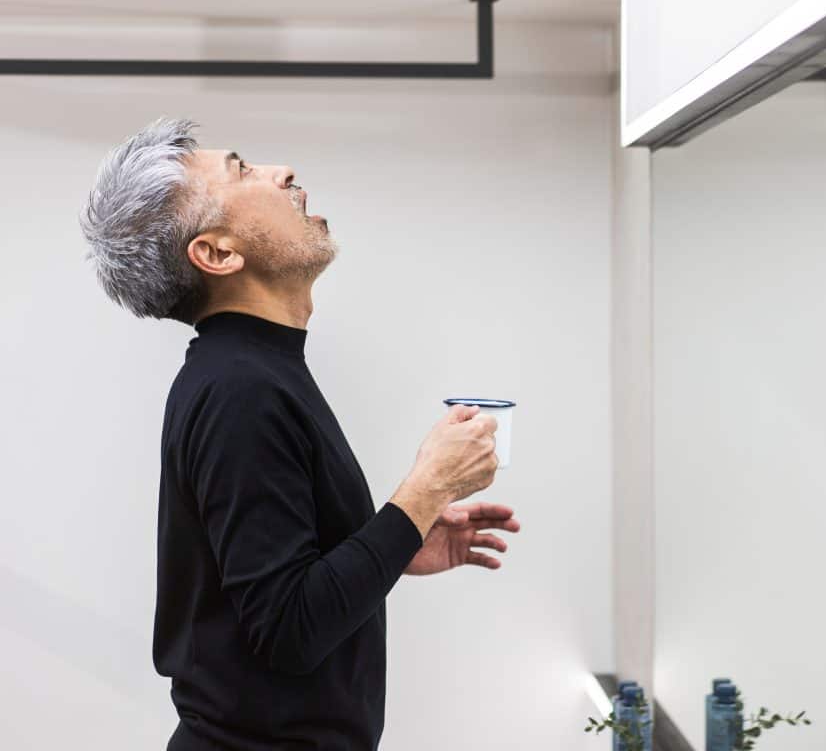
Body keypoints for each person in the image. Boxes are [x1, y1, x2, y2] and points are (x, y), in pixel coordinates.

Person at [80, 117, 520, 751]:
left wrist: (392, 546)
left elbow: (279, 591)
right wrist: (426, 489)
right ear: (217, 253)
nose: (281, 171)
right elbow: (288, 631)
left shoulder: (252, 372)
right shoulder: (242, 390)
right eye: (240, 169)